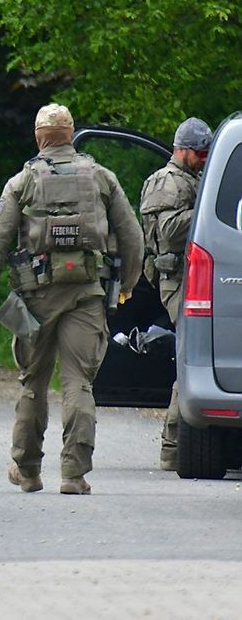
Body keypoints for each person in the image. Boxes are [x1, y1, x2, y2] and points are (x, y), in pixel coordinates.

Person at [0, 103, 144, 495]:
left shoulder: (22, 182)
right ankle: (73, 475)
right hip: (87, 295)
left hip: (35, 298)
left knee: (33, 383)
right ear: (71, 133)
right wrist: (127, 283)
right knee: (79, 383)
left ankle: (27, 470)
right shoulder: (101, 177)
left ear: (39, 136)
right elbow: (132, 236)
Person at [140, 117, 213, 471]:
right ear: (181, 150)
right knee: (189, 358)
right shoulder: (167, 182)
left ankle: (177, 445)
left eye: (206, 153)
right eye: (199, 153)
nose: (203, 158)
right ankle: (173, 446)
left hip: (191, 276)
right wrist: (206, 212)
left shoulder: (190, 180)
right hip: (177, 281)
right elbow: (168, 232)